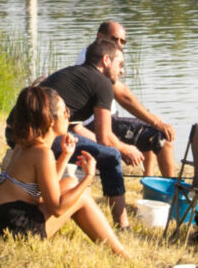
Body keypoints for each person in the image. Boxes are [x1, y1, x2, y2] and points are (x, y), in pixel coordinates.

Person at [0, 86, 131, 257]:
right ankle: (121, 254)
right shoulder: (42, 153)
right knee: (82, 195)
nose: (69, 115)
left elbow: (46, 188)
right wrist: (89, 177)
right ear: (50, 119)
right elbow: (57, 208)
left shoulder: (26, 144)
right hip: (13, 226)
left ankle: (118, 249)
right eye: (64, 111)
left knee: (71, 182)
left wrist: (66, 155)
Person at [34, 41, 141, 228]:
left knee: (104, 151)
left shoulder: (72, 74)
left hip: (19, 131)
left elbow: (76, 127)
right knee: (112, 156)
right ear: (106, 60)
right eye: (120, 64)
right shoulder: (103, 83)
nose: (122, 71)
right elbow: (105, 138)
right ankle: (122, 225)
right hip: (38, 139)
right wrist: (125, 148)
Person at [73, 21, 176, 177]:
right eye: (114, 39)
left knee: (148, 127)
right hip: (94, 124)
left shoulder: (96, 53)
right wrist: (156, 122)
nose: (119, 44)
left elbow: (122, 90)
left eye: (122, 41)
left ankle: (148, 181)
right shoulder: (99, 58)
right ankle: (172, 191)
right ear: (100, 36)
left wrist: (151, 119)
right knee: (162, 138)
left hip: (104, 118)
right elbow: (123, 96)